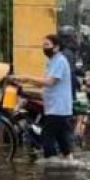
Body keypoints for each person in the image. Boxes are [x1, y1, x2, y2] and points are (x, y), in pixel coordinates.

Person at [13, 34, 74, 163]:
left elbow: (50, 82)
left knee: (47, 136)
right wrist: (23, 81)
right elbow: (43, 82)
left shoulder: (60, 61)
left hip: (59, 107)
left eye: (47, 45)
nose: (44, 48)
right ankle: (69, 163)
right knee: (61, 137)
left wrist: (28, 77)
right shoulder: (52, 61)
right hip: (54, 106)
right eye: (43, 45)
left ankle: (51, 165)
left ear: (56, 47)